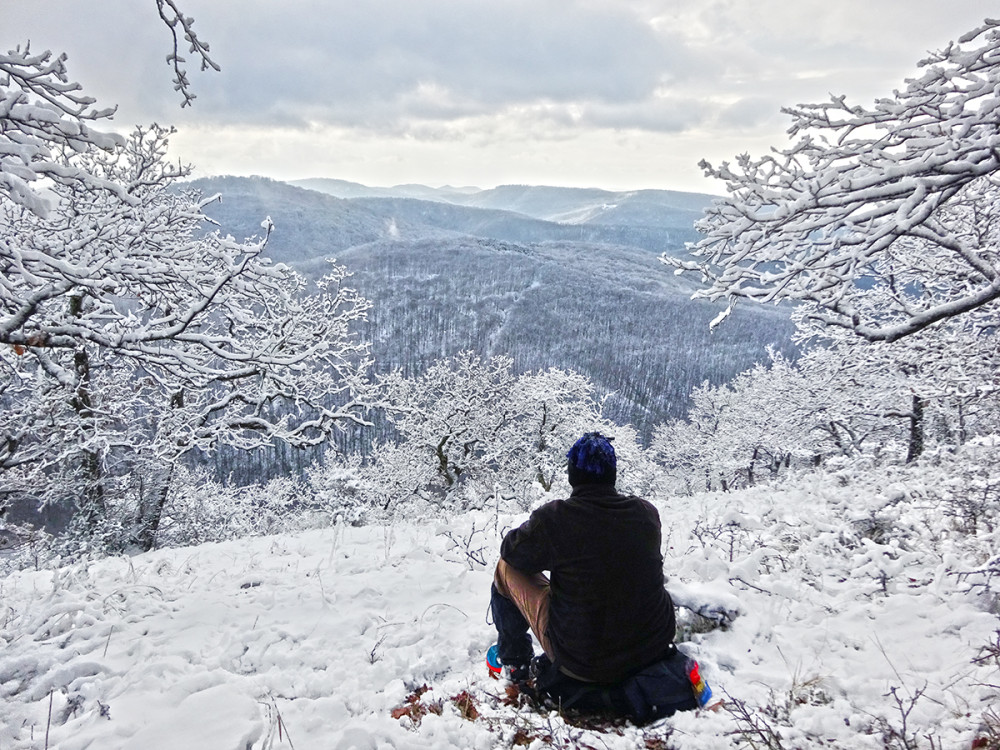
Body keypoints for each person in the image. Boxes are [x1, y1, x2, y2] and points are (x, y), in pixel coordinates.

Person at [488, 432, 706, 722]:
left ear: (571, 475)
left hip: (583, 660)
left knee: (506, 569)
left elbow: (511, 552)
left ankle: (515, 664)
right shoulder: (645, 514)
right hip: (652, 650)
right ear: (613, 475)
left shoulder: (556, 518)